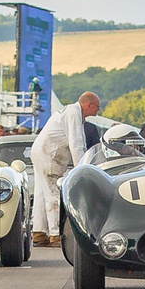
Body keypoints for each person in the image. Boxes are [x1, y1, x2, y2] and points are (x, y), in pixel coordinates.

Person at [30, 92, 100, 247]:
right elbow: (76, 144)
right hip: (49, 154)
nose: (98, 110)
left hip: (42, 150)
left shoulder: (70, 112)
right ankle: (55, 234)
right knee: (53, 193)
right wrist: (82, 169)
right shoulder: (73, 114)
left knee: (42, 193)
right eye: (97, 106)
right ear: (89, 105)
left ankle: (39, 232)